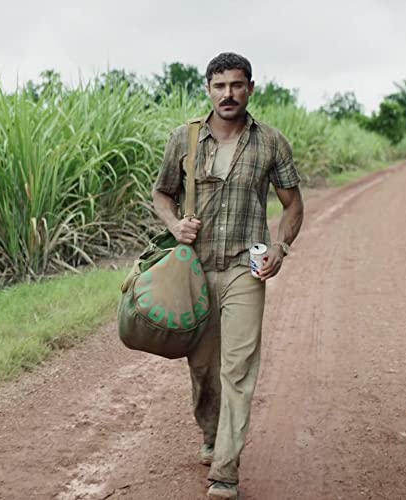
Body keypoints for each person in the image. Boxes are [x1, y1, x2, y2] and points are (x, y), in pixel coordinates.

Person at [151, 52, 304, 499]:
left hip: (244, 266)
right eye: (219, 86)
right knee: (202, 368)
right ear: (208, 90)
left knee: (237, 368)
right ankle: (211, 433)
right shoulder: (185, 139)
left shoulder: (271, 142)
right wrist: (175, 224)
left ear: (250, 88)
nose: (228, 94)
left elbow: (293, 204)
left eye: (237, 85)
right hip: (192, 270)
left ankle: (225, 471)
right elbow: (162, 194)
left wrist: (281, 247)